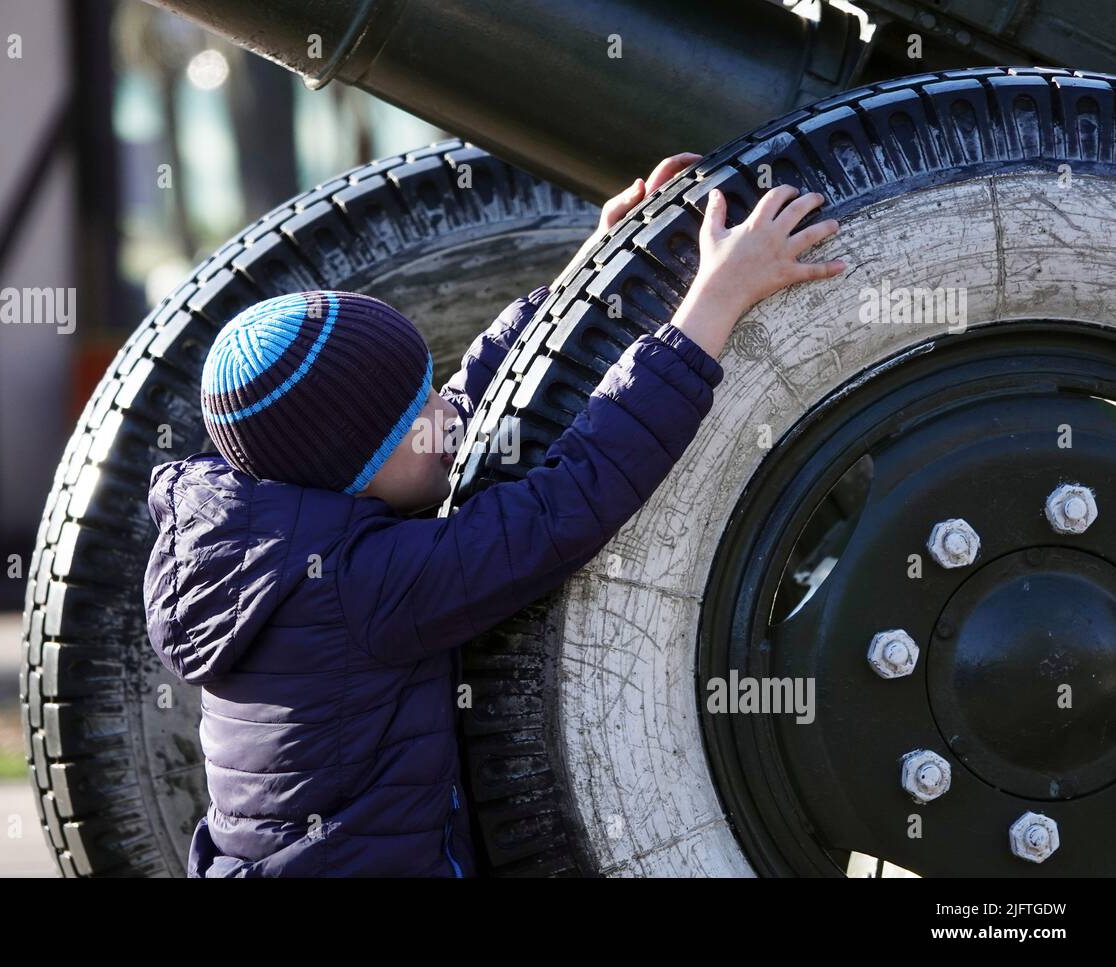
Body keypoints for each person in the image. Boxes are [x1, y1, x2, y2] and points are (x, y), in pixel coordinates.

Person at [142, 153, 846, 876]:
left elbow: (474, 407)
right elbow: (564, 504)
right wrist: (714, 304)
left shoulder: (268, 546)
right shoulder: (358, 587)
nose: (444, 413)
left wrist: (589, 275)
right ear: (353, 470)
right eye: (419, 412)